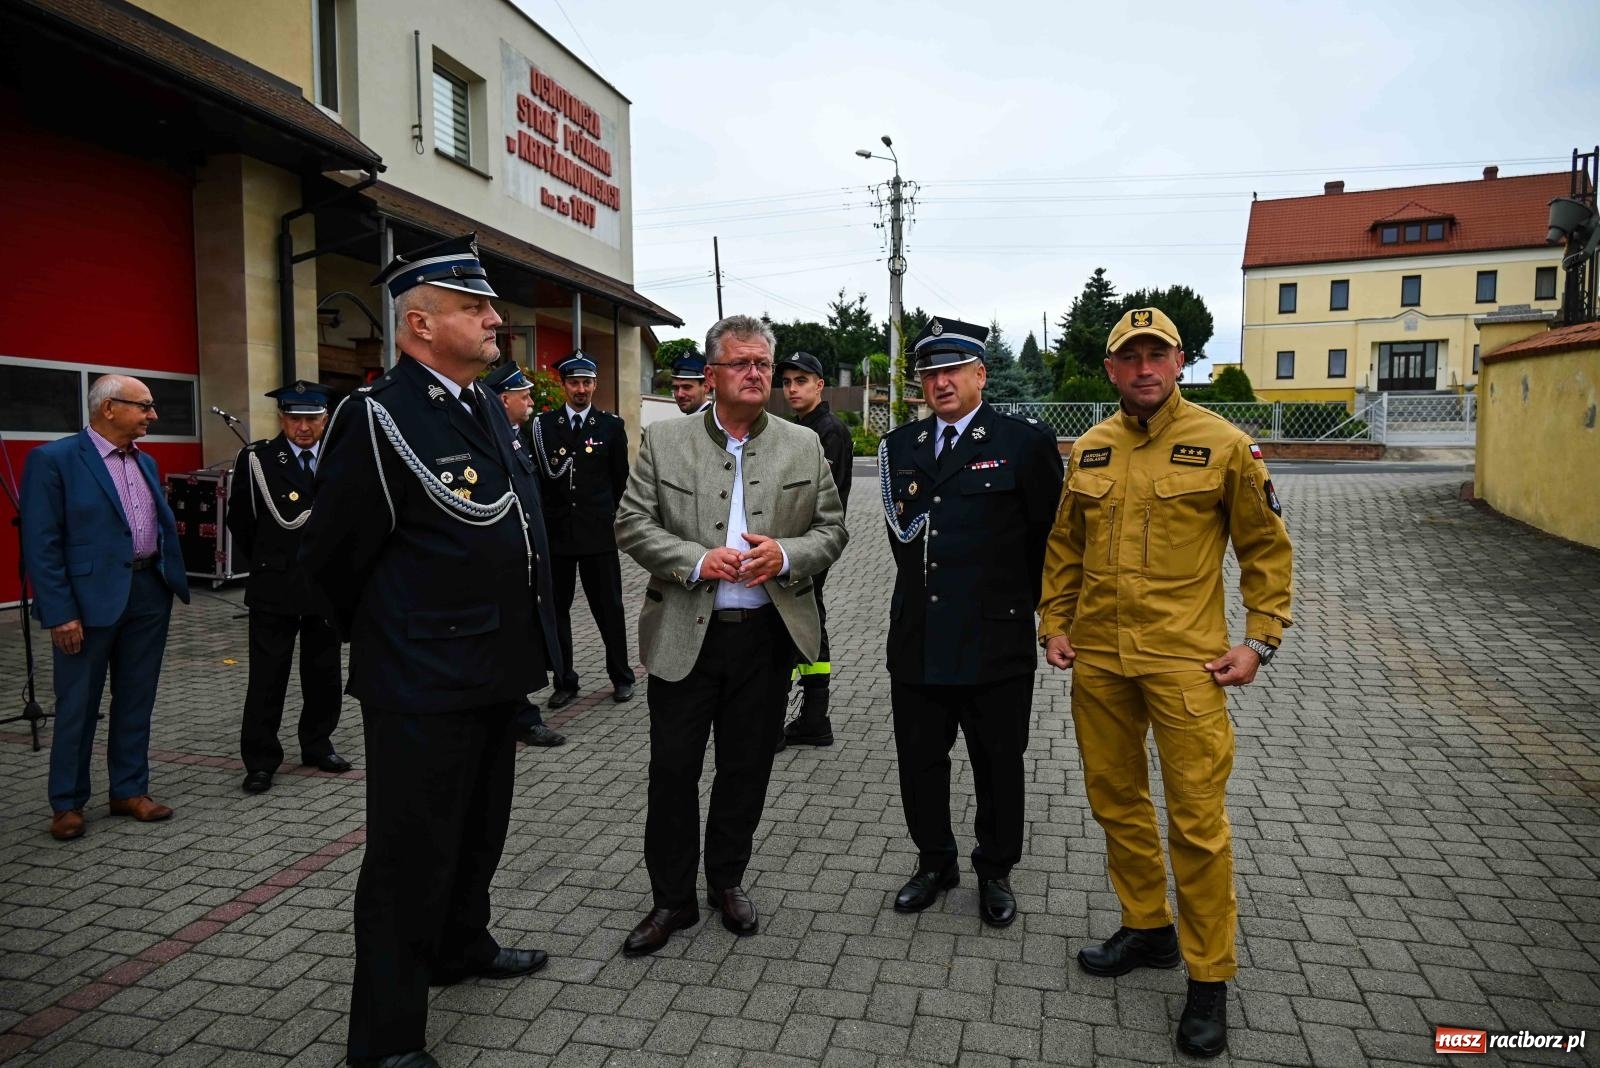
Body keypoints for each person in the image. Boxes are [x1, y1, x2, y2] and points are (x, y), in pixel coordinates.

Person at [300, 234, 551, 1068]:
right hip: (422, 679)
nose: (495, 318)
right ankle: (383, 1042)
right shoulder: (376, 416)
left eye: (490, 305)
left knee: (479, 832)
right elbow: (334, 559)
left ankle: (461, 948)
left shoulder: (476, 401)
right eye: (474, 307)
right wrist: (392, 642)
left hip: (493, 668)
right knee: (409, 858)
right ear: (419, 323)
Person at [1037, 306, 1294, 1058]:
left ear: (1181, 361)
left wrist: (1260, 640)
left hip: (1187, 663)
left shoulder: (1222, 445)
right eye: (1130, 357)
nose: (1145, 368)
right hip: (1102, 662)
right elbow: (1064, 547)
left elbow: (1265, 548)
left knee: (1196, 824)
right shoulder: (1089, 450)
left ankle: (1209, 978)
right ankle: (1148, 928)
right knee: (1116, 801)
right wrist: (1056, 622)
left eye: (1159, 354)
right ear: (1112, 369)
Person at [614, 314, 848, 956]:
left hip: (764, 640)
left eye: (763, 365)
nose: (755, 374)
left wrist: (787, 555)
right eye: (741, 363)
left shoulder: (804, 445)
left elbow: (833, 530)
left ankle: (727, 882)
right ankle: (670, 900)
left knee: (745, 770)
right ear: (712, 373)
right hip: (684, 636)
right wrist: (694, 560)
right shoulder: (665, 441)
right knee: (672, 773)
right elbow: (631, 523)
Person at [880, 317, 1063, 929]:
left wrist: (1043, 614)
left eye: (953, 370)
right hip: (919, 638)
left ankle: (994, 869)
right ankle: (935, 861)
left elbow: (1049, 540)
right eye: (930, 373)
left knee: (998, 761)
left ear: (980, 374)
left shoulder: (1022, 442)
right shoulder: (899, 447)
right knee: (920, 760)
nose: (941, 382)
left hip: (994, 637)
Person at [21, 374, 191, 841]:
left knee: (137, 698)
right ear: (109, 408)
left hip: (146, 592)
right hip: (86, 603)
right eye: (144, 406)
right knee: (78, 703)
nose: (153, 415)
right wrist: (59, 611)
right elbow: (42, 543)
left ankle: (129, 790)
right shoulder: (53, 460)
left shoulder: (146, 461)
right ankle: (67, 802)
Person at [225, 380, 352, 794]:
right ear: (282, 418)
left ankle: (317, 744)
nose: (303, 427)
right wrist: (269, 561)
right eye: (295, 418)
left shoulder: (340, 456)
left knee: (324, 672)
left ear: (325, 418)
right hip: (275, 584)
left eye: (312, 418)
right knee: (267, 677)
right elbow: (240, 521)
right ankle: (261, 759)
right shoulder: (258, 459)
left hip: (324, 584)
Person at [529, 352, 636, 707]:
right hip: (557, 536)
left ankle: (621, 676)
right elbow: (539, 482)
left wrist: (619, 522)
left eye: (587, 382)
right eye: (574, 382)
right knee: (557, 611)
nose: (581, 389)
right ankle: (565, 680)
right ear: (564, 385)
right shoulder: (543, 427)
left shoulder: (610, 426)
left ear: (595, 385)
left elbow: (621, 481)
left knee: (610, 608)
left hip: (598, 535)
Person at [484, 360, 567, 748]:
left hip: (530, 556)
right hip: (508, 562)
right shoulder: (488, 440)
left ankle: (518, 711)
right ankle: (520, 715)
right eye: (523, 394)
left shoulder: (512, 436)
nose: (531, 399)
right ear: (503, 400)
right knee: (510, 641)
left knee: (525, 636)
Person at [774, 351, 852, 749]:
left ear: (820, 386)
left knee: (792, 624)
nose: (792, 389)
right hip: (795, 547)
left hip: (808, 548)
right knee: (808, 622)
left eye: (800, 381)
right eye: (787, 382)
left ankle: (787, 719)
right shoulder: (801, 427)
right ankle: (814, 719)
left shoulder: (828, 430)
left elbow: (818, 499)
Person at [669, 350, 712, 414]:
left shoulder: (711, 422)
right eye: (676, 388)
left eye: (686, 387)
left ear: (706, 387)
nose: (679, 394)